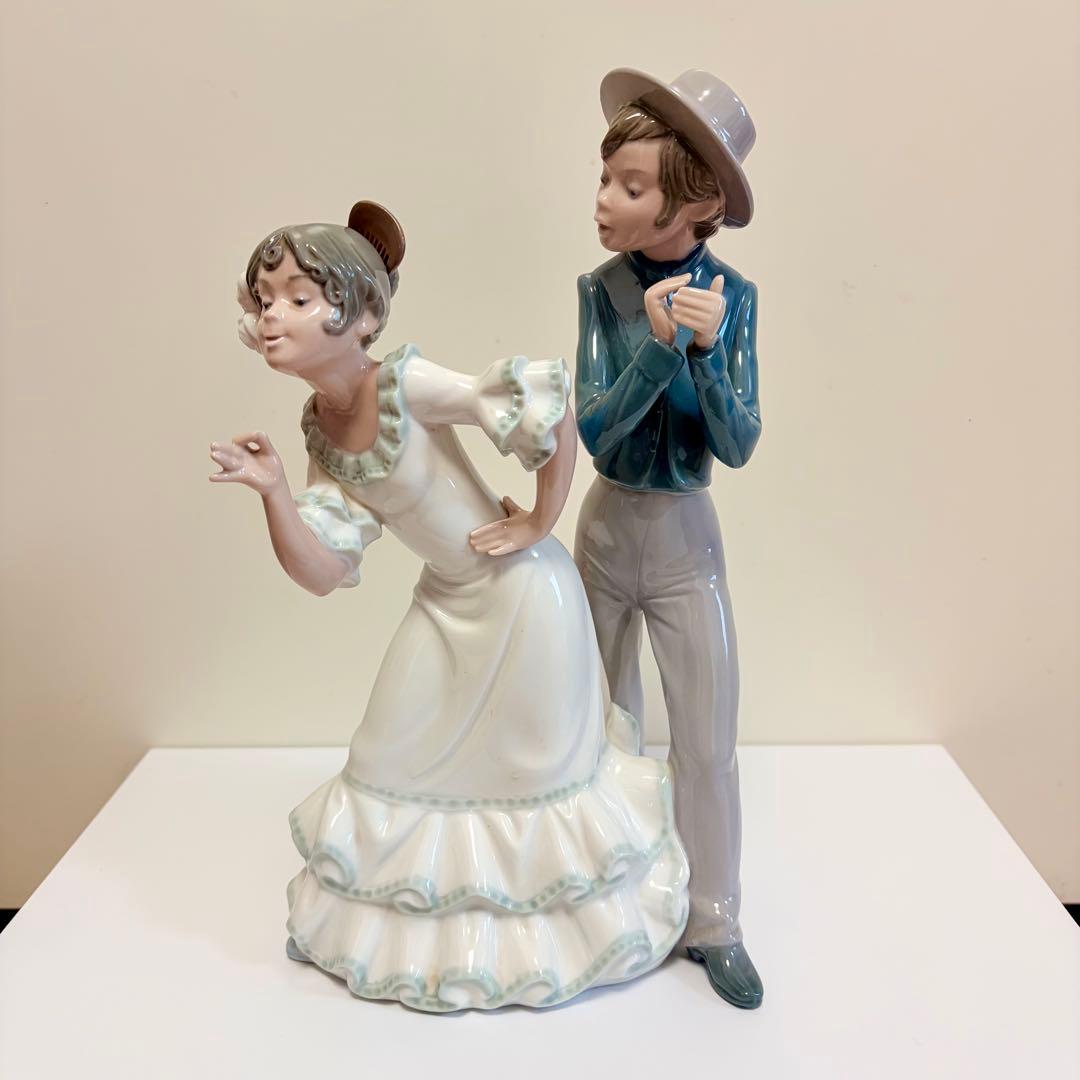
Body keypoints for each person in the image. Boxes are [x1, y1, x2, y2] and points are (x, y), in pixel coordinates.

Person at [210, 201, 689, 1012]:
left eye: (296, 298)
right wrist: (276, 494)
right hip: (447, 602)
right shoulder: (320, 425)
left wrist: (538, 523)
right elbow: (325, 571)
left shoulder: (403, 383)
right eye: (264, 300)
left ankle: (547, 949)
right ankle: (408, 946)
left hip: (524, 598)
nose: (272, 317)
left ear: (361, 315)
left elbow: (544, 408)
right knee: (384, 758)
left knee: (532, 787)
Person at [573, 69, 764, 1008]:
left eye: (631, 185)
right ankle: (610, 900)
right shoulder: (601, 291)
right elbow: (596, 432)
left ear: (693, 204)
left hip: (687, 535)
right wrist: (654, 350)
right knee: (600, 726)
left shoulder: (735, 298)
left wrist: (708, 354)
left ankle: (714, 917)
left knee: (706, 735)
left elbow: (737, 442)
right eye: (606, 178)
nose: (605, 199)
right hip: (609, 528)